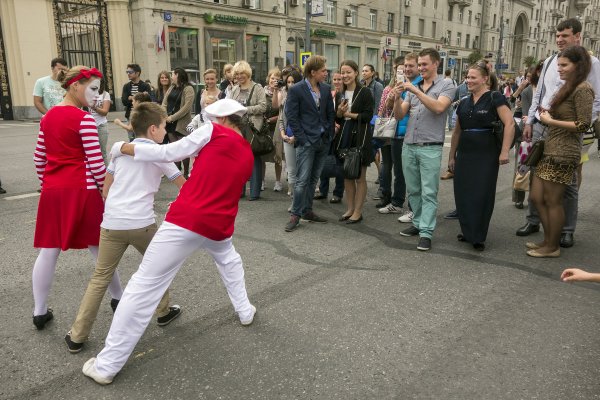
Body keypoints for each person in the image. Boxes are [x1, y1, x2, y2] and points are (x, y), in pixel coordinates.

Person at [81, 99, 256, 385]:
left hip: (186, 219)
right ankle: (245, 311)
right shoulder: (247, 153)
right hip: (220, 223)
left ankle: (106, 365)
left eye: (211, 117)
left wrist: (122, 147)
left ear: (222, 118)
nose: (206, 121)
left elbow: (169, 151)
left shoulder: (213, 131)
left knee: (143, 286)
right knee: (230, 262)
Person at [64, 102, 186, 353]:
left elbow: (105, 190)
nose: (165, 131)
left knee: (100, 278)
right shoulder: (160, 154)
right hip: (142, 224)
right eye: (164, 126)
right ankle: (163, 312)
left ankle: (77, 335)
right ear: (153, 129)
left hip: (112, 223)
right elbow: (184, 187)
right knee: (159, 269)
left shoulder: (118, 150)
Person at [31, 65, 123, 330]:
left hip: (52, 190)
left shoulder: (47, 118)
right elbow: (96, 164)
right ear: (75, 86)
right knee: (100, 248)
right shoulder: (84, 119)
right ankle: (118, 298)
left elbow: (39, 158)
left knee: (49, 250)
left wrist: (47, 184)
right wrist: (105, 193)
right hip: (83, 190)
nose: (96, 96)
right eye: (93, 89)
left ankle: (39, 311)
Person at [518, 18, 600, 249]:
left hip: (566, 135)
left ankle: (564, 232)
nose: (559, 40)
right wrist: (532, 120)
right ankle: (535, 223)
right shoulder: (551, 60)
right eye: (557, 35)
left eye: (565, 35)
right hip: (544, 126)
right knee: (536, 180)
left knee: (567, 186)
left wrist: (567, 123)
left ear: (577, 37)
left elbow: (593, 103)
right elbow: (539, 93)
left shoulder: (590, 65)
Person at [526, 46, 593, 258]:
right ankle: (548, 239)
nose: (560, 69)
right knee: (537, 197)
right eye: (558, 65)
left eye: (564, 65)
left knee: (553, 200)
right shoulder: (567, 87)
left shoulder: (583, 89)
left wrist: (551, 120)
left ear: (578, 66)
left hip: (565, 151)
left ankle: (552, 246)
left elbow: (583, 124)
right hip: (550, 146)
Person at [393, 48, 456, 251]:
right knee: (413, 190)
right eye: (419, 65)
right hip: (409, 145)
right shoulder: (415, 86)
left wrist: (414, 91)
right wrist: (395, 98)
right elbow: (399, 115)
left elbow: (439, 108)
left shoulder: (446, 84)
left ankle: (426, 232)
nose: (420, 68)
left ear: (436, 63)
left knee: (429, 192)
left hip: (430, 146)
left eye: (424, 64)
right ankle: (419, 222)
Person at [448, 62, 514, 251]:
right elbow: (456, 133)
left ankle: (478, 235)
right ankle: (468, 231)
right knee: (463, 192)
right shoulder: (464, 102)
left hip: (486, 152)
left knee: (481, 193)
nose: (468, 80)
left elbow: (509, 124)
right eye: (467, 77)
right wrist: (452, 156)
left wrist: (504, 151)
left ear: (485, 79)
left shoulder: (495, 97)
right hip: (465, 152)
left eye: (473, 77)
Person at [284, 55, 335, 231]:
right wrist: (302, 137)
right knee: (302, 180)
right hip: (306, 141)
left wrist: (328, 133)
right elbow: (292, 116)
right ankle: (295, 214)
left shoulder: (326, 89)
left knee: (313, 180)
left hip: (322, 140)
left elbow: (330, 113)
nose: (326, 73)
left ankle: (307, 210)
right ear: (313, 72)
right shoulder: (297, 90)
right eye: (323, 71)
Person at [378, 54, 422, 218]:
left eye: (411, 66)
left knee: (411, 174)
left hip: (411, 135)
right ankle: (397, 203)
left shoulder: (419, 85)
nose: (407, 70)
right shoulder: (401, 84)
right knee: (399, 172)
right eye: (405, 67)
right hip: (397, 132)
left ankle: (413, 208)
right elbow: (392, 109)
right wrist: (392, 97)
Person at [335, 60, 375, 224]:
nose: (345, 76)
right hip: (344, 138)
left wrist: (348, 114)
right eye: (342, 72)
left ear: (356, 73)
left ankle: (358, 211)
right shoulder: (340, 93)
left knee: (359, 177)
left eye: (348, 72)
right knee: (347, 176)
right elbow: (336, 117)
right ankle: (350, 208)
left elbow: (368, 116)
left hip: (360, 138)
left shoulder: (365, 92)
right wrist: (339, 112)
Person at [228, 60, 267, 200]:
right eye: (237, 74)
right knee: (239, 160)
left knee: (254, 158)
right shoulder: (234, 89)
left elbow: (263, 107)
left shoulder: (258, 88)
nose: (239, 76)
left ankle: (255, 192)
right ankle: (240, 190)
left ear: (248, 73)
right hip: (237, 127)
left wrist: (245, 109)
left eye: (242, 73)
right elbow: (229, 106)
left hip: (252, 128)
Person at [315, 70, 345, 204]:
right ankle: (323, 190)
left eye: (340, 79)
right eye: (335, 80)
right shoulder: (328, 93)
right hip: (328, 132)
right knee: (324, 160)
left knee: (338, 163)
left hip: (341, 133)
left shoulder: (343, 95)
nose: (337, 82)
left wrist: (338, 126)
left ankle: (338, 193)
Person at [277, 69, 303, 211]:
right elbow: (281, 118)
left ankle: (302, 201)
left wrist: (296, 137)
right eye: (288, 82)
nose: (291, 84)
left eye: (294, 82)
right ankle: (294, 201)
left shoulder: (304, 99)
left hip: (300, 139)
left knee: (302, 171)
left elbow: (306, 121)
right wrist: (282, 133)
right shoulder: (286, 99)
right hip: (287, 138)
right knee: (291, 171)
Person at [162, 68, 194, 178]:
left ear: (178, 75)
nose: (171, 77)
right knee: (174, 148)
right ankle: (177, 172)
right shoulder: (172, 87)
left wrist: (172, 117)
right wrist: (165, 115)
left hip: (181, 123)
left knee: (183, 149)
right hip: (169, 122)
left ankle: (185, 173)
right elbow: (164, 103)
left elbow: (186, 108)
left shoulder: (188, 88)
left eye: (173, 74)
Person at [263, 68, 283, 192]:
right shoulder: (261, 91)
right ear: (268, 79)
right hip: (263, 129)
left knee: (277, 156)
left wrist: (271, 120)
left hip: (275, 128)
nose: (274, 81)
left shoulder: (281, 92)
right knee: (262, 156)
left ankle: (278, 181)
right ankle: (262, 181)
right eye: (272, 78)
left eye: (277, 79)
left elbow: (280, 111)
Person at [88, 79, 112, 164]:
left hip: (101, 125)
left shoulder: (105, 94)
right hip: (89, 126)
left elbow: (104, 112)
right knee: (91, 152)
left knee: (102, 152)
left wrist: (94, 107)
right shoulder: (89, 94)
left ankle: (106, 174)